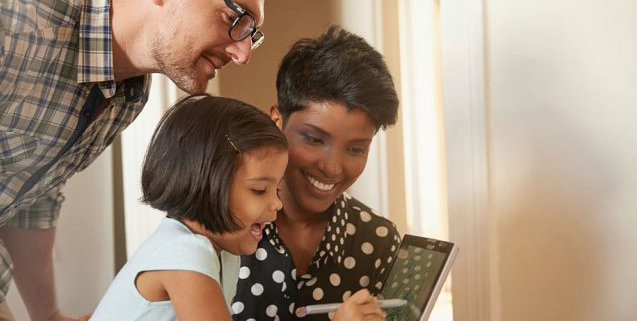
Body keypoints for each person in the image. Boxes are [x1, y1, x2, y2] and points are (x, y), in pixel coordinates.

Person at [0, 0, 265, 320]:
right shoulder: (17, 25)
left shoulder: (130, 98)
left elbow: (32, 195)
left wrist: (48, 315)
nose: (244, 54)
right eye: (234, 17)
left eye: (252, 34)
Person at [231, 25, 402, 321]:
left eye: (356, 149)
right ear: (276, 121)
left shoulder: (379, 241)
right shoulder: (224, 227)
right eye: (314, 139)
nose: (332, 167)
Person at [89, 94, 288, 320]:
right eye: (260, 190)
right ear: (206, 184)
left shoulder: (224, 255)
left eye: (277, 189)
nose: (277, 203)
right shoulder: (185, 253)